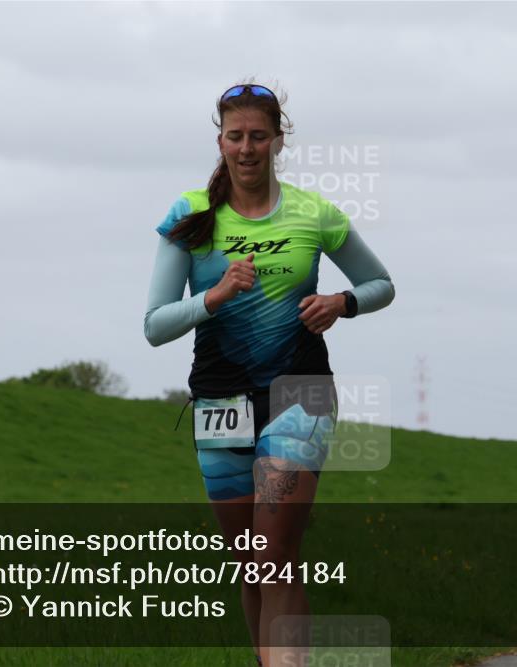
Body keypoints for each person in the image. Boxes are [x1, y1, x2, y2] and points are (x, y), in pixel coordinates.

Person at [144, 83, 395, 666]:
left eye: (259, 136)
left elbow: (380, 284)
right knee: (250, 560)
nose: (247, 148)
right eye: (236, 137)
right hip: (220, 399)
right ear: (220, 142)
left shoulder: (314, 213)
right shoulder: (190, 215)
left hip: (298, 393)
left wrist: (341, 303)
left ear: (279, 141)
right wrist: (216, 293)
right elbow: (156, 326)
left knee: (275, 553)